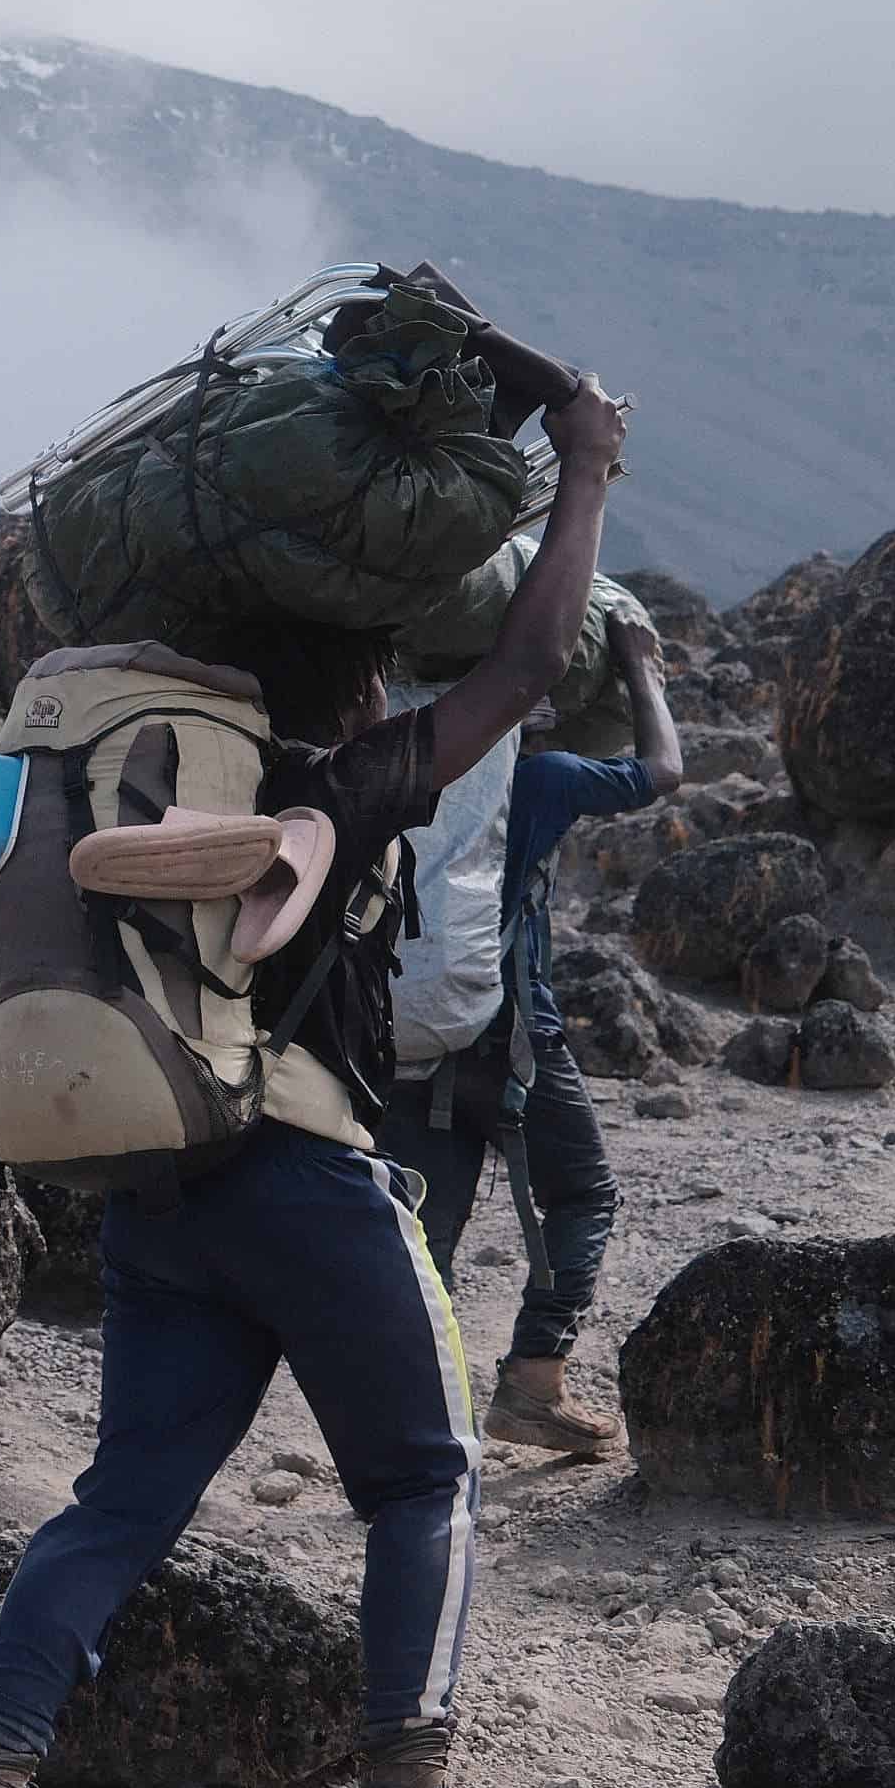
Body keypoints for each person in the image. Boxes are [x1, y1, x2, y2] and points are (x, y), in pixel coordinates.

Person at [0, 377, 630, 1788]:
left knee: (123, 1501)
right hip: (307, 1182)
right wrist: (590, 470)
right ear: (348, 686)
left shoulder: (107, 776)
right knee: (427, 1480)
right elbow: (533, 659)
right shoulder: (331, 786)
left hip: (154, 1194)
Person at [378, 614, 681, 1458]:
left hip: (404, 1024)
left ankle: (408, 1424)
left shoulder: (384, 767)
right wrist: (640, 668)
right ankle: (532, 1385)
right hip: (515, 1028)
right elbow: (664, 769)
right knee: (583, 1195)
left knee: (424, 1230)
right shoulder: (542, 779)